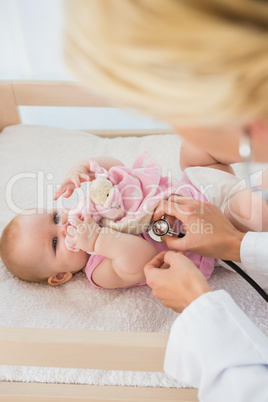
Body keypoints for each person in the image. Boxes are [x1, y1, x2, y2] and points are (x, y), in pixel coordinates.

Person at [63, 0, 268, 400]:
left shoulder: (98, 208)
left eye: (55, 217)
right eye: (56, 241)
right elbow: (136, 261)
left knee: (193, 152)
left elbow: (115, 167)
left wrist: (89, 168)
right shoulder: (97, 268)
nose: (65, 227)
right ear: (59, 275)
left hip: (198, 198)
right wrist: (98, 242)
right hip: (217, 220)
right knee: (248, 209)